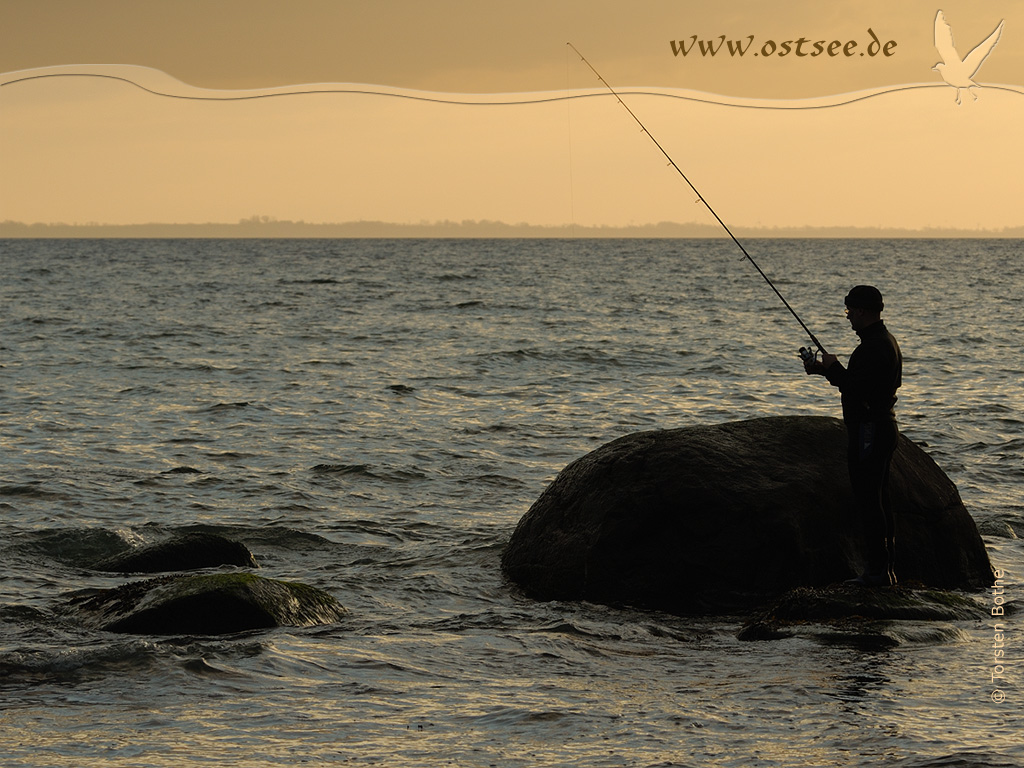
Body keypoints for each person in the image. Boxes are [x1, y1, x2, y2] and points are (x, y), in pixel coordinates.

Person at [804, 285, 903, 587]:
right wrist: (825, 371)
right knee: (880, 499)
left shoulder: (874, 347)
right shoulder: (884, 342)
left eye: (849, 311)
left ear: (861, 310)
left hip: (869, 431)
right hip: (880, 427)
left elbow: (857, 389)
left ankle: (877, 572)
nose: (847, 317)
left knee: (869, 501)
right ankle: (886, 570)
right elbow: (862, 385)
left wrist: (833, 368)